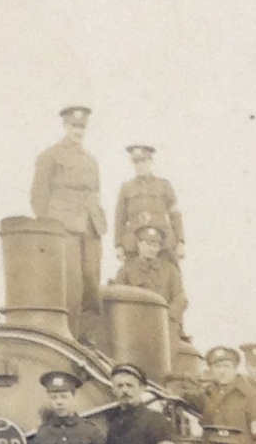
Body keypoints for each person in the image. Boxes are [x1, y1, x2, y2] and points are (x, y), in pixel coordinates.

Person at [29, 105, 107, 338]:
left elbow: (94, 193)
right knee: (71, 286)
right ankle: (69, 337)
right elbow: (38, 195)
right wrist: (47, 229)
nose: (78, 131)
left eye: (82, 127)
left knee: (92, 282)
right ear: (65, 126)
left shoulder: (90, 160)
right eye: (74, 126)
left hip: (91, 226)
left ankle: (87, 338)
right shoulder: (50, 155)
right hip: (64, 226)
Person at [112, 221, 187, 343]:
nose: (152, 249)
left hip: (164, 325)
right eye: (148, 244)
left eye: (155, 245)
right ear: (139, 244)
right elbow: (117, 296)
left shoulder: (170, 270)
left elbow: (181, 298)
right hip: (135, 324)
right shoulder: (126, 270)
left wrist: (167, 316)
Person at [112, 142, 185, 263]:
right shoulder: (126, 188)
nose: (140, 165)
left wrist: (180, 241)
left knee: (169, 278)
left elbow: (175, 215)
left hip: (163, 245)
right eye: (136, 162)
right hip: (135, 246)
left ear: (151, 161)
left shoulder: (164, 185)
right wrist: (119, 245)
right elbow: (120, 219)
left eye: (143, 161)